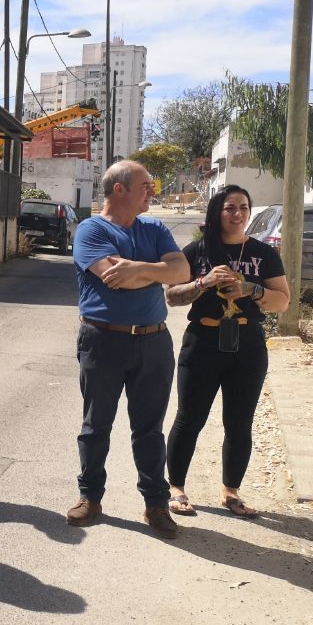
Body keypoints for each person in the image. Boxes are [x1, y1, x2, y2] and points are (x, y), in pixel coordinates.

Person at [68, 159, 190, 539]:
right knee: (96, 425)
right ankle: (91, 497)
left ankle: (156, 504)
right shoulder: (90, 229)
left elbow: (182, 272)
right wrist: (157, 270)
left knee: (149, 429)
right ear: (119, 189)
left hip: (154, 341)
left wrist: (139, 267)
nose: (152, 191)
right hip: (104, 339)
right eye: (146, 185)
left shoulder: (154, 226)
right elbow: (114, 279)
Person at [163, 185, 290, 518]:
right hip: (203, 342)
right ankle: (176, 489)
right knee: (189, 419)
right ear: (218, 212)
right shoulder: (198, 250)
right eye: (230, 208)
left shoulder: (264, 254)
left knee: (239, 422)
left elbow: (283, 301)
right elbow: (171, 296)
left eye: (244, 208)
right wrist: (203, 283)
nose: (238, 214)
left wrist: (252, 288)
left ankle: (231, 492)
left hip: (247, 346)